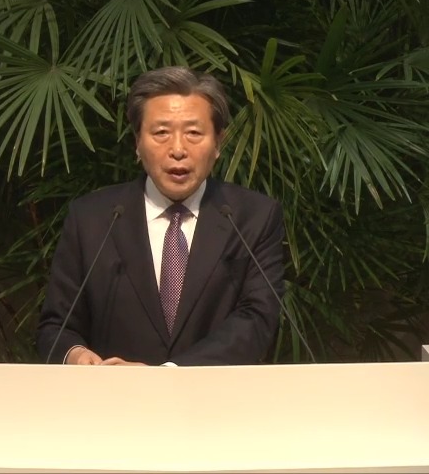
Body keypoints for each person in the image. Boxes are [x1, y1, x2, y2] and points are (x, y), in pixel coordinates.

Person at [36, 66, 285, 366]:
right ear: (137, 142)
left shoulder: (253, 217)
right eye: (161, 133)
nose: (177, 149)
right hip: (113, 393)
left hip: (215, 393)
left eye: (194, 133)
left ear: (218, 142)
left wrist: (168, 374)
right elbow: (56, 326)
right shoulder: (91, 219)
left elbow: (257, 320)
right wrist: (75, 354)